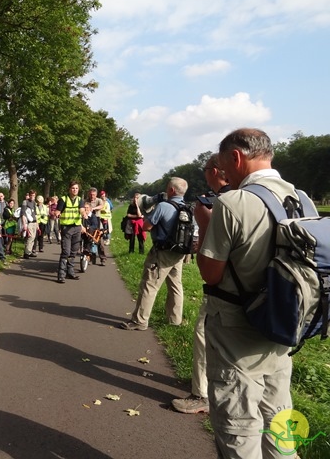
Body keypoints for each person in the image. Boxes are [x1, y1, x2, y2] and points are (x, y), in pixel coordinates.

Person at [196, 129, 310, 458]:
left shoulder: (233, 202)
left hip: (237, 332)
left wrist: (206, 225)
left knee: (239, 426)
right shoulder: (301, 198)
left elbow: (210, 273)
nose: (222, 175)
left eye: (222, 167)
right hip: (284, 326)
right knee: (278, 420)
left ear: (236, 157)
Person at [172, 154, 231, 415]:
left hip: (226, 293)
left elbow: (209, 270)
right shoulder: (284, 197)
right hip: (271, 296)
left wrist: (205, 224)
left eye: (206, 169)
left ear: (217, 171)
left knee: (204, 335)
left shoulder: (226, 203)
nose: (205, 174)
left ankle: (202, 395)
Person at [121, 177, 189, 331]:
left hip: (162, 252)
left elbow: (146, 227)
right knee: (175, 286)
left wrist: (147, 211)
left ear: (171, 190)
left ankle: (140, 321)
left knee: (149, 285)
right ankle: (174, 320)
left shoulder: (164, 206)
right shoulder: (185, 207)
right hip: (178, 252)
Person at [54, 181, 85, 283]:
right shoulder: (63, 199)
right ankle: (61, 275)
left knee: (74, 251)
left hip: (77, 228)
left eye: (76, 188)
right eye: (73, 188)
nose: (75, 190)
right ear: (69, 189)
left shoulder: (80, 200)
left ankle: (70, 272)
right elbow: (58, 211)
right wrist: (57, 214)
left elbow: (81, 210)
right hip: (66, 228)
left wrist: (84, 214)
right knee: (66, 251)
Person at [21, 190, 38, 259]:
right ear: (29, 195)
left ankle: (29, 251)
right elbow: (23, 214)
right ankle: (26, 253)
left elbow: (35, 213)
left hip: (34, 221)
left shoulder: (34, 202)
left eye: (33, 195)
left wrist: (37, 223)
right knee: (30, 237)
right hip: (29, 222)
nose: (32, 197)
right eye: (31, 195)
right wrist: (24, 224)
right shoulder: (25, 202)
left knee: (33, 237)